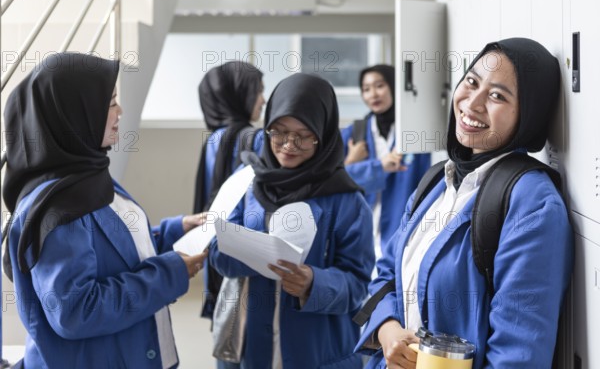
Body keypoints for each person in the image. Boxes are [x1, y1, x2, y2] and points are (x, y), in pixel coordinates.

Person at [355, 38, 574, 368]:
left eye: (498, 95)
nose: (473, 102)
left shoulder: (531, 203)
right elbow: (387, 273)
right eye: (471, 82)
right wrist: (388, 332)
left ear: (528, 114)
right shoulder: (436, 181)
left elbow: (517, 357)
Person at [1, 52, 208, 369]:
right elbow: (75, 311)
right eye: (110, 102)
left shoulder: (87, 176)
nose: (120, 111)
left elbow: (111, 248)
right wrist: (169, 273)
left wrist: (173, 231)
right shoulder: (60, 208)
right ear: (76, 114)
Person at [208, 73, 375, 368]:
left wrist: (313, 283)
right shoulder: (247, 183)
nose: (288, 144)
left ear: (322, 136)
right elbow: (218, 253)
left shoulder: (347, 201)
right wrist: (257, 252)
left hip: (317, 353)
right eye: (279, 131)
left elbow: (357, 285)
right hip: (252, 350)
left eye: (304, 135)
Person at [192, 61, 265, 369]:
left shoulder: (213, 139)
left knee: (228, 338)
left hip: (218, 255)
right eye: (258, 91)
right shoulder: (256, 139)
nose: (263, 99)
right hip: (247, 258)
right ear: (239, 95)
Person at [341, 65, 430, 266]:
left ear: (393, 86)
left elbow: (426, 183)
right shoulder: (354, 134)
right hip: (360, 233)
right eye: (366, 89)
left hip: (402, 233)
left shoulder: (414, 133)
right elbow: (333, 180)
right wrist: (362, 164)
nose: (373, 94)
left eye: (379, 85)